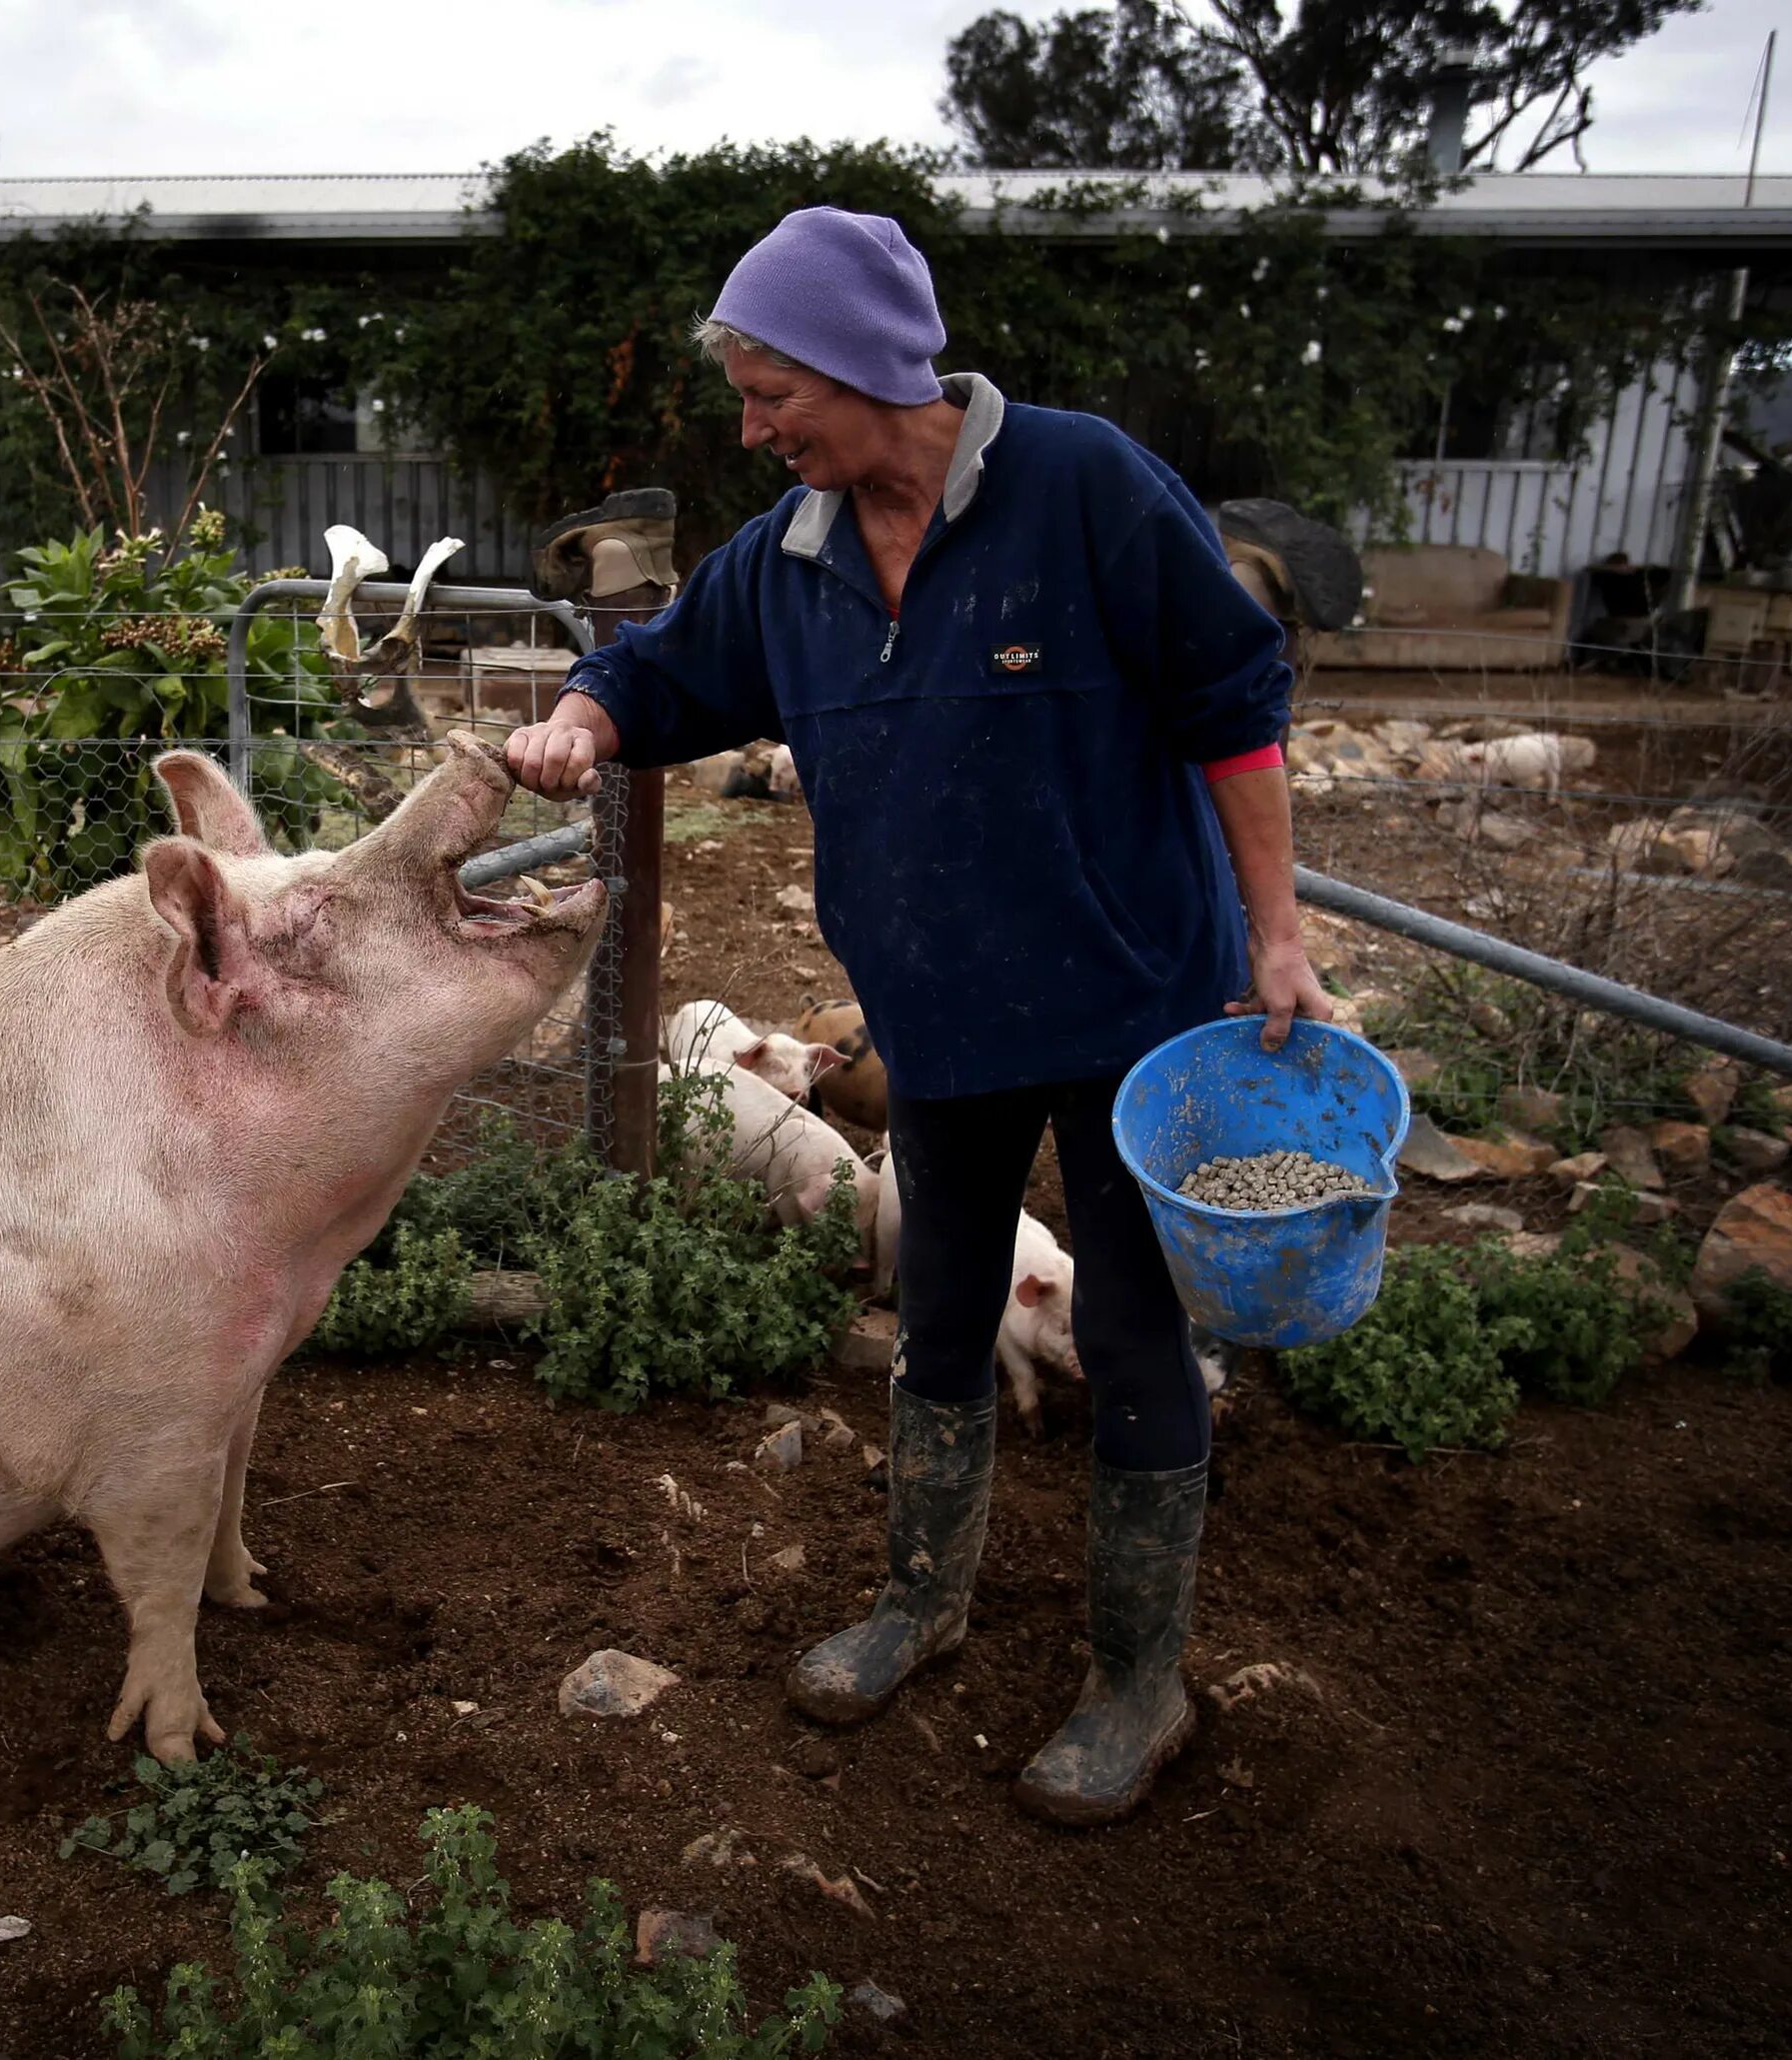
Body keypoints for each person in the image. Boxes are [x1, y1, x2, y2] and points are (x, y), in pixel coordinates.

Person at [505, 207, 1328, 1825]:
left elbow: (1235, 699)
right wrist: (588, 714)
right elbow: (669, 666)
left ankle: (1137, 1681)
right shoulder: (794, 557)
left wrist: (1280, 937)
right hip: (938, 1022)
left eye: (768, 394)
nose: (749, 430)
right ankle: (920, 1602)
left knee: (1130, 1331)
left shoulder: (1081, 487)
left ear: (869, 369)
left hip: (1130, 1009)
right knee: (940, 1314)